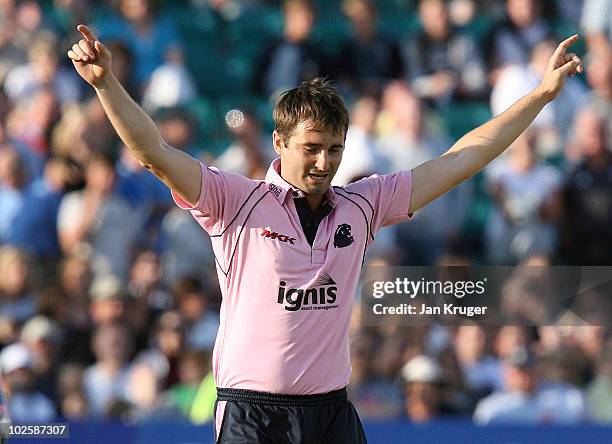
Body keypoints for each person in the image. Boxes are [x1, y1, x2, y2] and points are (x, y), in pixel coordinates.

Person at [67, 23, 582, 442]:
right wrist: (105, 84)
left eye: (334, 149)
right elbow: (153, 154)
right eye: (311, 147)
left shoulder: (363, 203)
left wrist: (539, 96)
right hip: (253, 414)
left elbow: (461, 159)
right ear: (279, 142)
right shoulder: (235, 200)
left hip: (330, 413)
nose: (323, 162)